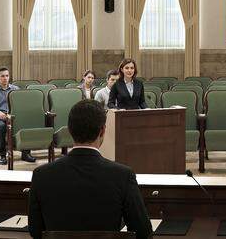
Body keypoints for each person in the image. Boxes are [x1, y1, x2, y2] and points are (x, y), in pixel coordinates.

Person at [27, 99, 152, 239]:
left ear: (69, 129)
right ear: (102, 130)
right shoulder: (123, 175)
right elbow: (143, 231)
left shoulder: (41, 175)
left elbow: (35, 230)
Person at [0, 67, 34, 164]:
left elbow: (22, 104)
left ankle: (25, 153)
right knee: (0, 126)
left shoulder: (15, 89)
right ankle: (2, 155)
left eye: (7, 76)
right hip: (1, 118)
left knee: (26, 123)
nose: (5, 78)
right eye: (2, 76)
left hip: (14, 117)